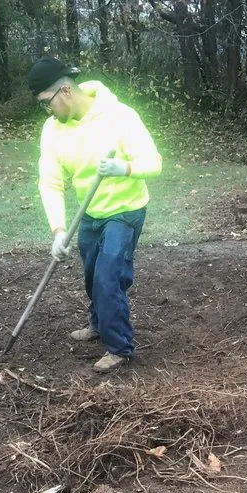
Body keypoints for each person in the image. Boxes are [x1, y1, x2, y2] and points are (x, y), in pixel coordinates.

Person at [27, 56, 162, 373]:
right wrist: (58, 229)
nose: (46, 111)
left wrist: (124, 168)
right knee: (91, 275)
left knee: (108, 278)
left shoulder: (120, 117)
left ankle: (119, 347)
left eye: (47, 103)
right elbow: (50, 181)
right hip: (90, 212)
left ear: (64, 91)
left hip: (125, 211)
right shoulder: (53, 130)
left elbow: (154, 163)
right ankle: (99, 323)